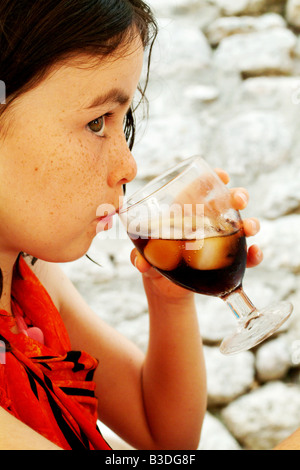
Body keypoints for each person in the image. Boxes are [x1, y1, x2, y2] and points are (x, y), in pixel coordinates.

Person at [0, 0, 263, 451]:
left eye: (124, 122)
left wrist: (171, 300)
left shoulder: (31, 283)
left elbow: (166, 440)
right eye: (98, 121)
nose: (128, 166)